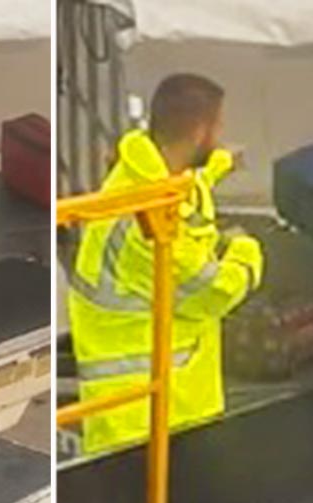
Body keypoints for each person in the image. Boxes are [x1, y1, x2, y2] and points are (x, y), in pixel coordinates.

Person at [68, 73, 264, 453]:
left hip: (145, 409)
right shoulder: (148, 220)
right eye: (218, 129)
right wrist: (246, 250)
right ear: (199, 131)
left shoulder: (142, 173)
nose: (221, 137)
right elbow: (214, 292)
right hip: (149, 418)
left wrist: (223, 162)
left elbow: (191, 179)